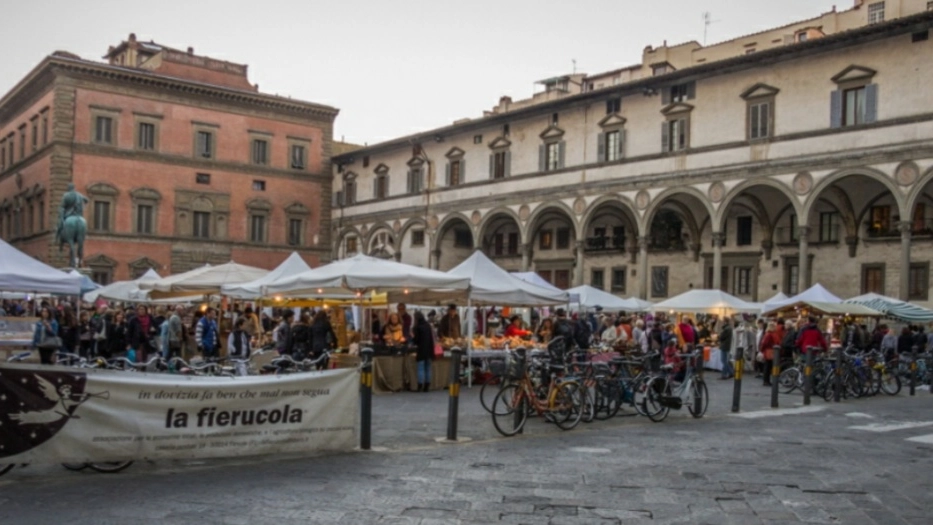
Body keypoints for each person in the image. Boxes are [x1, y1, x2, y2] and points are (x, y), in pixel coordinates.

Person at [411, 311, 435, 392]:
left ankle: (420, 385)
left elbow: (416, 340)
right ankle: (427, 386)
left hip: (421, 350)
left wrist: (412, 338)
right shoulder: (427, 325)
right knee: (428, 368)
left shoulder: (418, 327)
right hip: (429, 349)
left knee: (421, 368)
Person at [759, 322, 781, 387]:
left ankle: (766, 380)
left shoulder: (769, 334)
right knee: (768, 366)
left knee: (768, 366)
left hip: (770, 351)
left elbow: (764, 343)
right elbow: (765, 343)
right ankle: (766, 381)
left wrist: (762, 350)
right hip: (770, 351)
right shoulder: (770, 334)